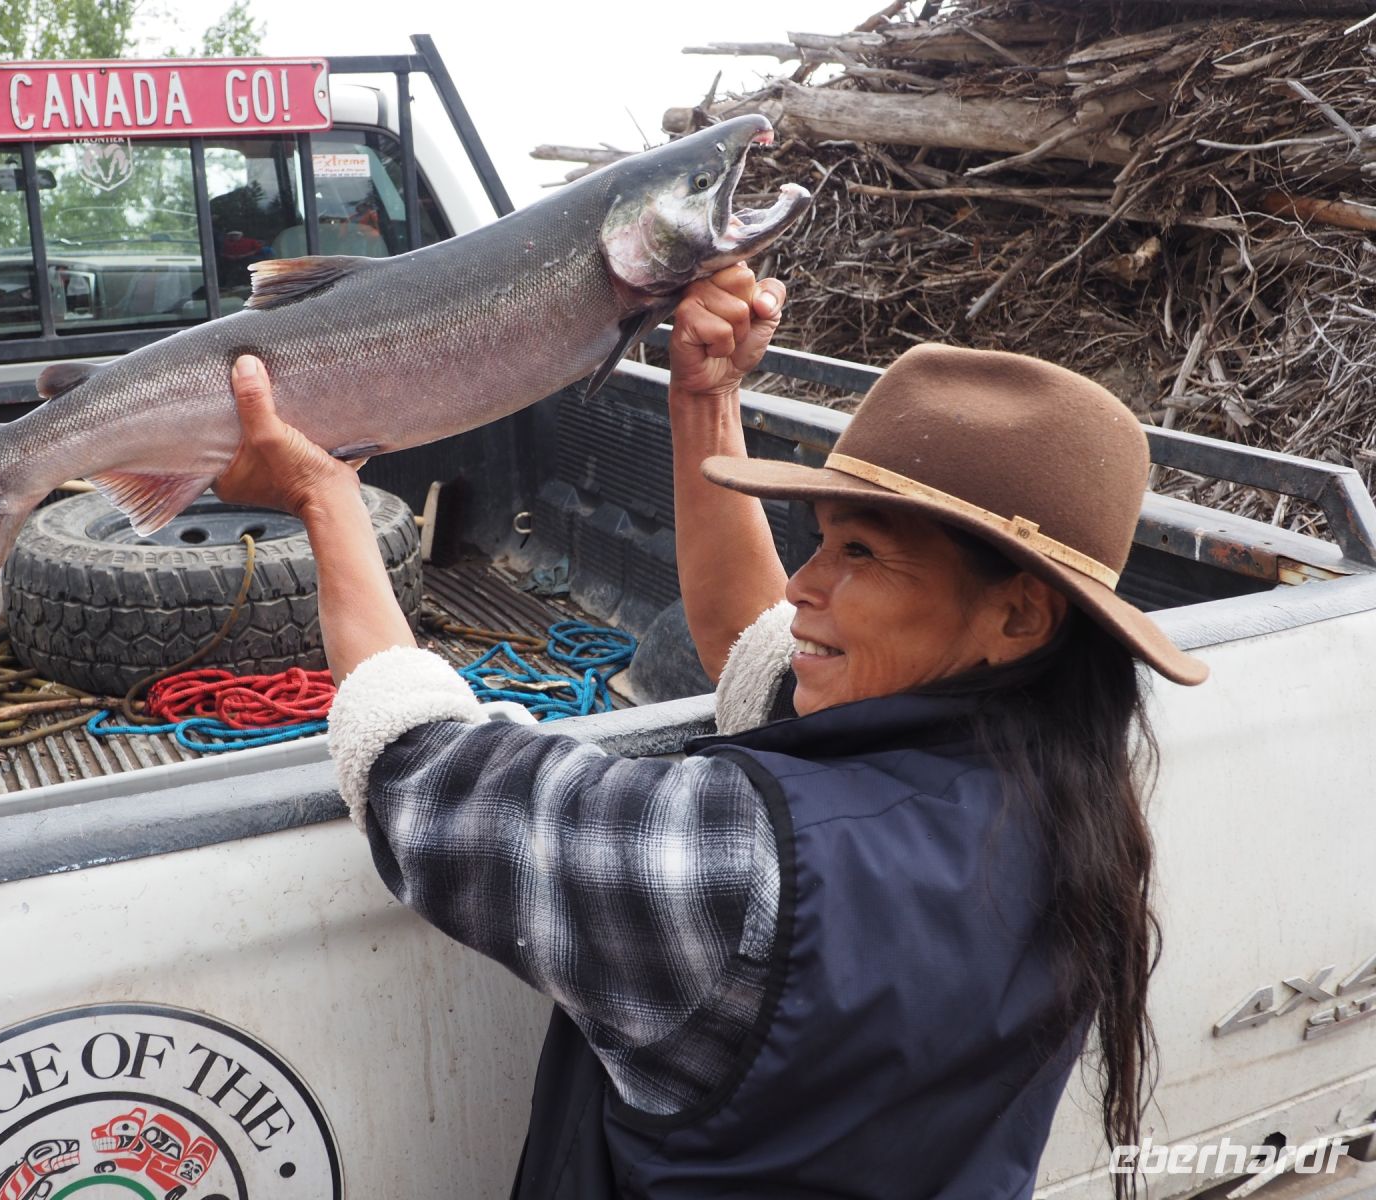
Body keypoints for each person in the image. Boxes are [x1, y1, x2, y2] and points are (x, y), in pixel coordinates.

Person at [214, 265, 1209, 1199]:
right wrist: (704, 400)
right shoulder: (1067, 807)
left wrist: (325, 495)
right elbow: (758, 640)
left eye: (860, 553)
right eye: (819, 542)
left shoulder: (741, 861)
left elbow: (425, 769)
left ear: (1019, 616)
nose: (805, 584)